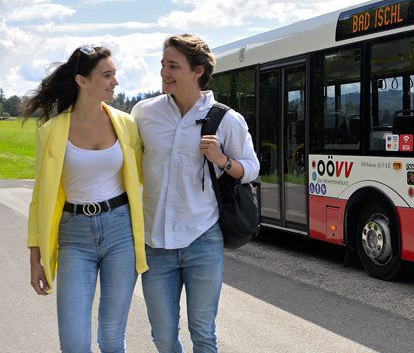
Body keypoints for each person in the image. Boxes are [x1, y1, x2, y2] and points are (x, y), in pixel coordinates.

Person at [131, 34, 259, 352]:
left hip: (202, 240)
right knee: (162, 335)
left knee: (203, 333)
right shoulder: (144, 114)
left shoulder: (226, 119)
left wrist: (223, 161)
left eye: (173, 66)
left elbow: (252, 168)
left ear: (197, 71)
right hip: (155, 243)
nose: (164, 72)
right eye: (163, 64)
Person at [24, 45, 148, 352]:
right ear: (82, 80)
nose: (115, 82)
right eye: (107, 75)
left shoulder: (127, 125)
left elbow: (144, 178)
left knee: (111, 338)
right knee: (74, 342)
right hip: (74, 235)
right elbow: (40, 197)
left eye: (114, 75)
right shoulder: (51, 131)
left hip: (120, 231)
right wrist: (35, 256)